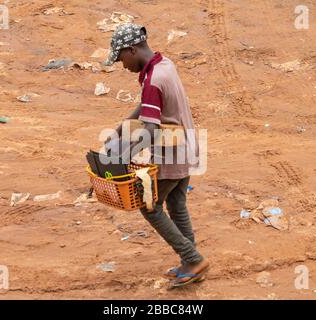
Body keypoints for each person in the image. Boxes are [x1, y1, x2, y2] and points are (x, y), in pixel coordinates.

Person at [103, 23, 209, 288]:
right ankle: (192, 261)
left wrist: (122, 156)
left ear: (132, 49)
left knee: (149, 207)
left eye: (121, 58)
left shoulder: (152, 80)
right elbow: (146, 106)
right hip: (187, 146)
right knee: (176, 204)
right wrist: (120, 128)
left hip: (171, 154)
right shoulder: (164, 65)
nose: (122, 65)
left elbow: (150, 130)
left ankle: (192, 258)